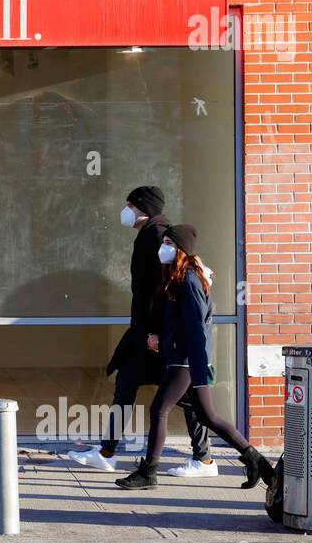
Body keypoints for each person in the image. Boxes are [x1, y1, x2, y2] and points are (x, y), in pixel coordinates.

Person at [66, 186, 213, 475]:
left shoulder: (158, 237)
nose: (125, 210)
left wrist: (155, 332)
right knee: (128, 384)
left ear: (141, 208)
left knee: (185, 396)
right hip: (146, 333)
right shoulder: (150, 235)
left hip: (154, 336)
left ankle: (204, 458)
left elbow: (164, 290)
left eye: (129, 205)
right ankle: (107, 451)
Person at [116, 225, 274, 490]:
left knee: (159, 409)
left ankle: (148, 472)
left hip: (186, 359)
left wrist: (200, 367)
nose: (163, 247)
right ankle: (256, 461)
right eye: (163, 241)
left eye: (168, 242)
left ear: (181, 249)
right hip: (182, 357)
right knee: (208, 416)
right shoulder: (177, 278)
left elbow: (198, 328)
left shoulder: (189, 279)